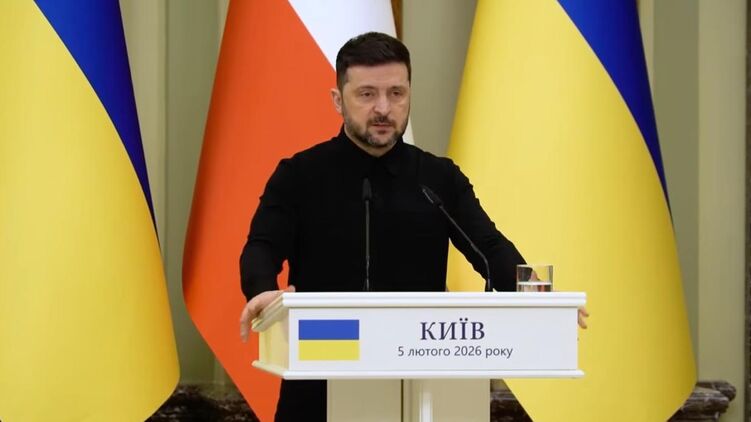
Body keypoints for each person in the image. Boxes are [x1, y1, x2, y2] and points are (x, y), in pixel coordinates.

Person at [237, 31, 584, 422]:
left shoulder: (438, 179)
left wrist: (542, 300)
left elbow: (489, 247)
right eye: (367, 94)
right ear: (338, 100)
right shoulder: (300, 174)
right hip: (319, 376)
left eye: (396, 93)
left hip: (422, 381)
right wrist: (262, 290)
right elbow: (262, 247)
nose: (383, 108)